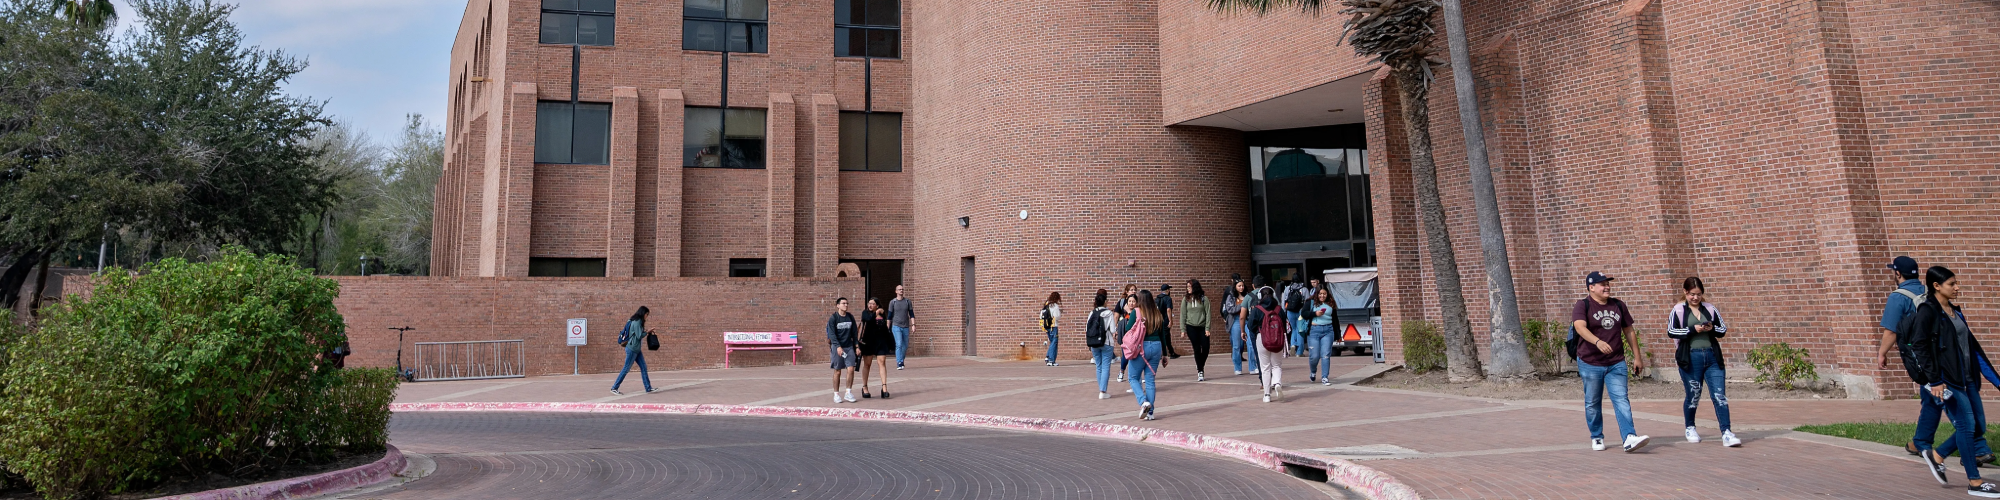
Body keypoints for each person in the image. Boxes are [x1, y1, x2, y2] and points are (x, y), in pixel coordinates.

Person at [1879, 257, 1993, 463]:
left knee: (1953, 407)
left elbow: (1891, 331)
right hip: (1946, 361)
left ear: (1897, 274)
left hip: (1934, 364)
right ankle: (1922, 442)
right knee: (1933, 401)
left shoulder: (1899, 297)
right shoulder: (1929, 292)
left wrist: (1882, 353)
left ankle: (1973, 449)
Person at [1907, 266, 2000, 497]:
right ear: (1936, 286)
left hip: (1967, 379)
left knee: (1978, 426)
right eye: (1951, 284)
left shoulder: (1955, 311)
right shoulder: (1928, 311)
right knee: (1967, 427)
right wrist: (1935, 380)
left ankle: (1937, 455)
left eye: (1956, 283)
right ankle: (1975, 483)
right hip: (1948, 382)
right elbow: (1919, 346)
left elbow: (1973, 349)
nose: (1957, 287)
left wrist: (1997, 381)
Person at [1573, 271, 1651, 453]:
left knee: (1621, 399)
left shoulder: (1618, 305)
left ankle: (1629, 437)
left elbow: (1629, 331)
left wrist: (1637, 357)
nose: (1606, 286)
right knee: (1593, 401)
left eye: (1607, 283)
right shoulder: (1582, 305)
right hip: (1590, 362)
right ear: (1591, 288)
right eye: (1602, 284)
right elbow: (1579, 327)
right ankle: (1597, 436)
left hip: (1616, 362)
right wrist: (1597, 342)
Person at [1665, 277, 1738, 447]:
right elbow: (1671, 331)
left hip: (1712, 356)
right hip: (1691, 357)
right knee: (1693, 395)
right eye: (1692, 294)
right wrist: (1692, 329)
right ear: (1685, 293)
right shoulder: (1678, 310)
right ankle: (1690, 427)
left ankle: (1726, 432)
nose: (1695, 298)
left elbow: (1723, 329)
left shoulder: (1710, 309)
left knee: (1719, 395)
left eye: (1698, 294)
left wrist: (1711, 328)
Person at [1123, 289, 1166, 420]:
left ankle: (1143, 402)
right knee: (1150, 380)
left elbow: (1128, 328)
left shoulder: (1136, 312)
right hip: (1157, 347)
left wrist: (1130, 313)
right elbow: (1162, 334)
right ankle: (1150, 413)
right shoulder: (1157, 313)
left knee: (1133, 377)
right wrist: (1165, 354)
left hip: (1141, 347)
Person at [610, 306, 656, 395]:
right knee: (626, 368)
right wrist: (647, 332)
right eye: (647, 314)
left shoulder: (633, 320)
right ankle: (614, 387)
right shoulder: (638, 322)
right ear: (644, 313)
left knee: (643, 367)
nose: (647, 316)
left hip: (636, 349)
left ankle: (648, 387)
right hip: (632, 349)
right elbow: (639, 336)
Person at [1251, 293, 1286, 402]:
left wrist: (1257, 331)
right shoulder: (1279, 309)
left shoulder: (1257, 309)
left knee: (1265, 367)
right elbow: (1285, 325)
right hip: (1277, 338)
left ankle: (1267, 395)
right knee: (1276, 365)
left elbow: (1250, 325)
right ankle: (1277, 383)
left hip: (1262, 338)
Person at [858, 298, 894, 399]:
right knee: (867, 364)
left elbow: (885, 328)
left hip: (880, 342)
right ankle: (865, 387)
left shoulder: (882, 314)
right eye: (869, 303)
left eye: (872, 304)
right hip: (868, 342)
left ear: (877, 305)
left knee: (882, 362)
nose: (870, 305)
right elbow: (868, 319)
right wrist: (876, 312)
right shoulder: (865, 313)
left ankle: (884, 387)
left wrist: (889, 342)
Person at [827, 298, 860, 404]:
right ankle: (836, 394)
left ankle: (848, 392)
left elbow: (854, 333)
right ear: (838, 305)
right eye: (843, 303)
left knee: (851, 369)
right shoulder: (834, 318)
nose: (846, 305)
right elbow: (832, 334)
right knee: (837, 371)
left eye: (847, 303)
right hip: (837, 347)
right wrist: (837, 347)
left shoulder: (850, 317)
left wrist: (857, 346)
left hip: (849, 347)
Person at [1223, 279, 1259, 376]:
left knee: (1251, 344)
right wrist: (1243, 305)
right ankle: (1237, 367)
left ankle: (1253, 366)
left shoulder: (1248, 295)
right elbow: (1230, 309)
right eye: (1239, 286)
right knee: (1236, 345)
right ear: (1235, 286)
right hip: (1235, 320)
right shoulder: (1231, 296)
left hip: (1247, 320)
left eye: (1242, 285)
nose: (1241, 287)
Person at [1087, 289, 1118, 399]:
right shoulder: (1108, 313)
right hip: (1107, 342)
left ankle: (1101, 390)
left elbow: (1087, 328)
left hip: (1094, 343)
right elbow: (1113, 329)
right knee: (1106, 366)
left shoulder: (1092, 313)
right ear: (1105, 302)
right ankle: (1103, 391)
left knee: (1098, 366)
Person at [1305, 286, 1337, 385]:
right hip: (1314, 331)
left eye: (1324, 294)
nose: (1322, 296)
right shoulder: (1310, 302)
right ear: (1316, 294)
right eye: (1320, 294)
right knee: (1314, 356)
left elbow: (1335, 319)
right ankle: (1313, 371)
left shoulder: (1331, 303)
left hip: (1328, 330)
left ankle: (1325, 377)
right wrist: (1315, 314)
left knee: (1326, 355)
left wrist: (1338, 334)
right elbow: (1303, 313)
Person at [1183, 279, 1212, 382]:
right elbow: (1183, 314)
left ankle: (1200, 364)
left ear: (1195, 287)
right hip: (1191, 326)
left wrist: (1207, 328)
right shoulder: (1186, 299)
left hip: (1203, 326)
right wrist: (1183, 329)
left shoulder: (1204, 299)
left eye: (1189, 287)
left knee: (1205, 347)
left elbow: (1208, 314)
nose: (1188, 289)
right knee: (1196, 348)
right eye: (1187, 287)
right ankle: (1200, 370)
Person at [888, 285, 915, 369]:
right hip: (896, 326)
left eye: (902, 289)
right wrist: (887, 327)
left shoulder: (907, 302)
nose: (901, 291)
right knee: (899, 344)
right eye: (899, 289)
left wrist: (913, 325)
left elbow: (911, 314)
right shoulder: (893, 302)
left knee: (905, 345)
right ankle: (899, 362)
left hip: (906, 326)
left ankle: (901, 360)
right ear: (896, 291)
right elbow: (889, 316)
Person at [1157, 284, 1181, 359]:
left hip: (1158, 320)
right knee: (1167, 337)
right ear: (1167, 290)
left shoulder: (1157, 298)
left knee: (1160, 336)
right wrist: (1170, 320)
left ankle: (1168, 352)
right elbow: (1168, 309)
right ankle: (1171, 353)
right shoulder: (1168, 298)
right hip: (1165, 320)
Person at [1041, 292, 1063, 366]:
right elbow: (1057, 316)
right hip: (1053, 326)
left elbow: (1041, 315)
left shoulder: (1046, 305)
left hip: (1046, 326)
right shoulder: (1055, 306)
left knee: (1052, 342)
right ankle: (1051, 360)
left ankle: (1048, 356)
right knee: (1054, 342)